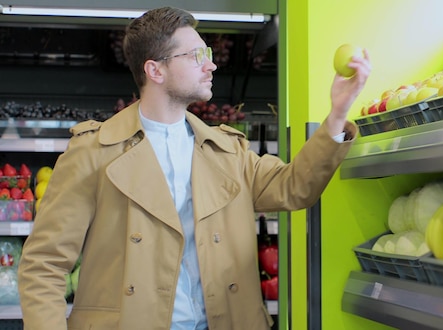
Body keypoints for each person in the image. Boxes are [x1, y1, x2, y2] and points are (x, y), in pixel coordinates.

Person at [17, 6, 370, 330]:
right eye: (197, 55)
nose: (211, 64)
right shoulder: (93, 152)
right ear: (155, 70)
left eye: (210, 54)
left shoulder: (226, 150)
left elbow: (295, 187)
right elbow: (43, 266)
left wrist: (338, 113)